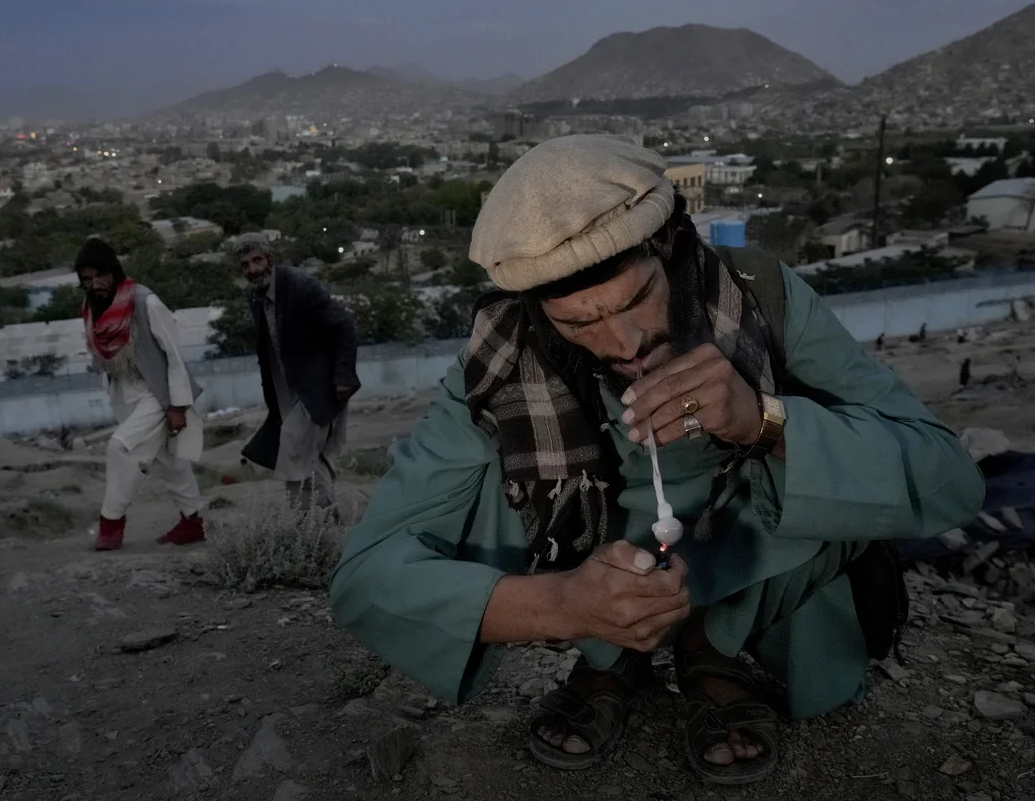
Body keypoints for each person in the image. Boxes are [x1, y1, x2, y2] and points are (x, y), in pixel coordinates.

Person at [329, 136, 984, 787]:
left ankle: (710, 649)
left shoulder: (762, 298)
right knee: (484, 487)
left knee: (834, 463)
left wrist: (765, 421)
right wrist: (563, 605)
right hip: (592, 563)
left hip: (752, 548)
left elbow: (948, 478)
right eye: (579, 322)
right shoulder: (499, 358)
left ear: (669, 242)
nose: (625, 344)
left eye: (634, 299)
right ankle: (608, 657)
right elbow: (365, 578)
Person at [75, 238, 207, 551]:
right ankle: (193, 522)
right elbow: (100, 357)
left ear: (114, 271)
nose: (95, 284)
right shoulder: (90, 310)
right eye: (87, 279)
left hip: (158, 394)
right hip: (126, 394)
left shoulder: (145, 302)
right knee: (169, 461)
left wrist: (176, 405)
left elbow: (174, 356)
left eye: (100, 275)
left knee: (119, 448)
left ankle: (111, 523)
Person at [231, 234, 361, 512]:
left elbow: (344, 327)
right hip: (288, 390)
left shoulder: (300, 286)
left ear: (270, 259)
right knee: (309, 455)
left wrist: (342, 376)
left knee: (291, 449)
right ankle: (328, 518)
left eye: (257, 260)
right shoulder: (255, 296)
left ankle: (301, 521)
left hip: (319, 384)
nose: (252, 269)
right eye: (245, 264)